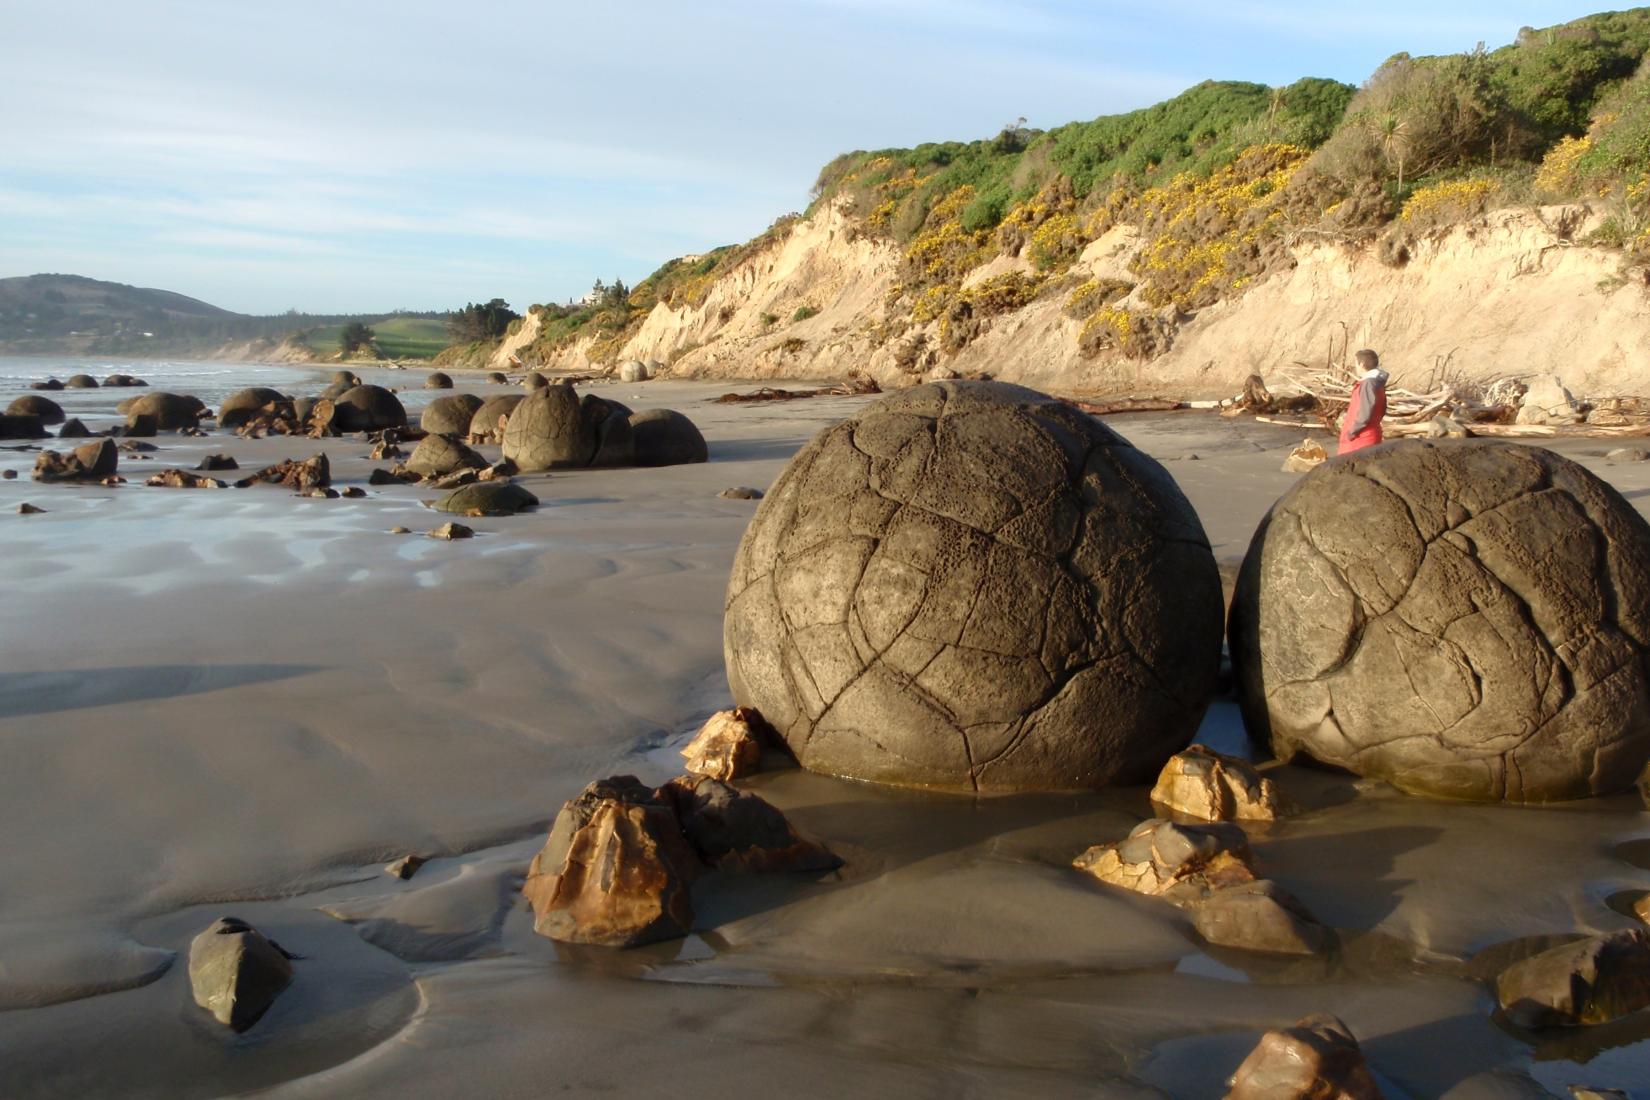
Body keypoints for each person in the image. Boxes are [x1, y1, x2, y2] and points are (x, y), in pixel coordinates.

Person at [1338, 349, 1389, 455]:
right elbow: (1382, 409)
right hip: (1369, 435)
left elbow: (1365, 413)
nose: (1355, 366)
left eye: (1356, 363)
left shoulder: (1368, 384)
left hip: (1360, 439)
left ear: (1362, 364)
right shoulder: (1377, 382)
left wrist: (1351, 432)